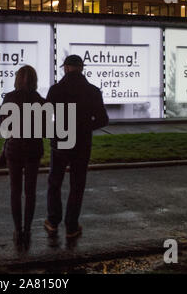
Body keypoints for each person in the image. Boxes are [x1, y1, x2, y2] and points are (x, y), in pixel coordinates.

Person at [44, 55, 109, 239]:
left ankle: (53, 222)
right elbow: (103, 119)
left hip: (61, 141)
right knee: (77, 184)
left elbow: (46, 116)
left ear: (65, 68)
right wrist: (84, 127)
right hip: (82, 143)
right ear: (81, 68)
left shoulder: (56, 89)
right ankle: (72, 226)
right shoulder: (93, 91)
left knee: (54, 182)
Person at [0, 65, 46, 249]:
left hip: (15, 149)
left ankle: (17, 230)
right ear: (35, 80)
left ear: (17, 79)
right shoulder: (41, 101)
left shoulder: (9, 98)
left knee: (15, 191)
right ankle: (27, 229)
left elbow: (4, 127)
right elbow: (45, 129)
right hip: (33, 149)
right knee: (30, 192)